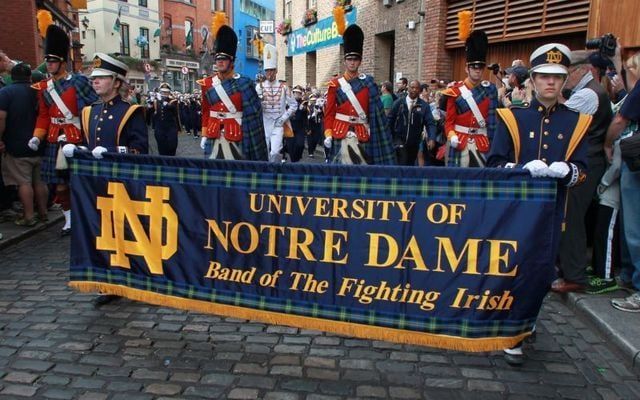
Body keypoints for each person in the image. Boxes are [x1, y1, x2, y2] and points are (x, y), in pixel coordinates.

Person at [487, 43, 592, 365]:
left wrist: (570, 171)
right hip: (517, 212)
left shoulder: (577, 122)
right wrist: (519, 170)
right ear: (531, 79)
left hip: (552, 213)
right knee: (511, 270)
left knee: (541, 272)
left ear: (564, 82)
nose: (550, 83)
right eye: (544, 77)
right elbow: (494, 165)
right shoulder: (511, 118)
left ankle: (526, 320)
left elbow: (583, 170)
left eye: (557, 78)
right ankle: (513, 328)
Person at [27, 25, 98, 236]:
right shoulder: (43, 87)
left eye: (53, 61)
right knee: (58, 186)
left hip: (76, 138)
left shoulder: (79, 82)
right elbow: (43, 116)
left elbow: (92, 109)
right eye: (47, 61)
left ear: (62, 62)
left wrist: (87, 134)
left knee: (78, 182)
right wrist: (36, 136)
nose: (49, 65)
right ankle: (69, 220)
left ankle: (84, 216)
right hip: (53, 140)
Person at [552, 50, 614, 293]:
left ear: (582, 70)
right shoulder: (593, 91)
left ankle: (574, 275)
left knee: (572, 218)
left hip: (587, 161)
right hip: (590, 160)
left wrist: (553, 96)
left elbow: (562, 119)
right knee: (573, 217)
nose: (564, 81)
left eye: (566, 75)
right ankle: (569, 267)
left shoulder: (588, 94)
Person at [323, 24, 395, 165]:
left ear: (360, 61)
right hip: (339, 133)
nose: (352, 63)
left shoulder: (369, 83)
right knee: (340, 177)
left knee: (361, 176)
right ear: (344, 61)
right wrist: (328, 133)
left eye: (355, 59)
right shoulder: (334, 84)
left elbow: (376, 115)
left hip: (362, 133)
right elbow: (329, 113)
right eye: (349, 59)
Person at [197, 25, 267, 161]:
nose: (220, 62)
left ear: (232, 61)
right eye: (217, 59)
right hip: (213, 134)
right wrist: (204, 133)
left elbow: (253, 116)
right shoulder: (207, 83)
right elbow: (206, 111)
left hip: (236, 136)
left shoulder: (245, 83)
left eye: (224, 58)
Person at [605, 50, 640, 312]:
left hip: (636, 162)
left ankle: (637, 287)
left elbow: (619, 119)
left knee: (635, 228)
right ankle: (629, 276)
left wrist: (607, 144)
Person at [0, 63, 48, 226]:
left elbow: (1, 118)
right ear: (29, 77)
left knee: (23, 182)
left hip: (16, 145)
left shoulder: (5, 93)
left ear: (12, 77)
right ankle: (43, 212)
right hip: (39, 142)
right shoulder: (38, 92)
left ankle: (29, 216)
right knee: (40, 182)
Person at [442, 30, 498, 167]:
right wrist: (451, 135)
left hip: (483, 143)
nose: (477, 70)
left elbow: (493, 123)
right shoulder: (455, 91)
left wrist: (494, 146)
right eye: (474, 67)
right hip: (459, 142)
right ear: (467, 68)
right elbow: (449, 122)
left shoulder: (490, 90)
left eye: (481, 67)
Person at [256, 44, 295, 163]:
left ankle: (274, 173)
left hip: (278, 123)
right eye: (267, 70)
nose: (269, 73)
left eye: (272, 70)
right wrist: (260, 103)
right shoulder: (259, 87)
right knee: (264, 151)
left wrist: (283, 118)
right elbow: (255, 107)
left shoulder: (284, 87)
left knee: (275, 151)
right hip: (264, 123)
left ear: (276, 70)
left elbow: (294, 105)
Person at [388, 80, 436, 166]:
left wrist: (432, 138)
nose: (414, 90)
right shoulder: (399, 103)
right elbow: (389, 120)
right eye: (412, 87)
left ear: (419, 90)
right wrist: (390, 137)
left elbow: (430, 123)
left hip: (414, 142)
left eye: (417, 88)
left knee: (410, 164)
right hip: (399, 140)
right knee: (403, 161)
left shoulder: (423, 106)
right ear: (408, 88)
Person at [152, 83, 179, 156]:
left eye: (166, 92)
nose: (164, 93)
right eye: (163, 92)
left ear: (169, 92)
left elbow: (173, 109)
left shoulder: (173, 101)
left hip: (171, 128)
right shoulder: (155, 101)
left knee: (172, 147)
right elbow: (152, 115)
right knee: (161, 149)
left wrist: (164, 102)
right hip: (160, 129)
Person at [286, 85, 308, 163]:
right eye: (295, 93)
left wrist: (303, 109)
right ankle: (293, 161)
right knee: (290, 146)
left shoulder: (303, 102)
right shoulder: (288, 102)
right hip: (290, 127)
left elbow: (306, 113)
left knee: (300, 145)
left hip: (300, 127)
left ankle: (296, 159)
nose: (297, 95)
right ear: (293, 93)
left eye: (299, 93)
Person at [306, 92, 324, 158]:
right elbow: (307, 117)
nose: (313, 102)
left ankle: (312, 150)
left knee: (316, 139)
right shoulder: (307, 107)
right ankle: (310, 153)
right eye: (312, 100)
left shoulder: (318, 107)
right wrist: (312, 115)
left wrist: (320, 111)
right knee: (310, 140)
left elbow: (323, 115)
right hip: (309, 125)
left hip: (317, 125)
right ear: (310, 100)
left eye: (314, 100)